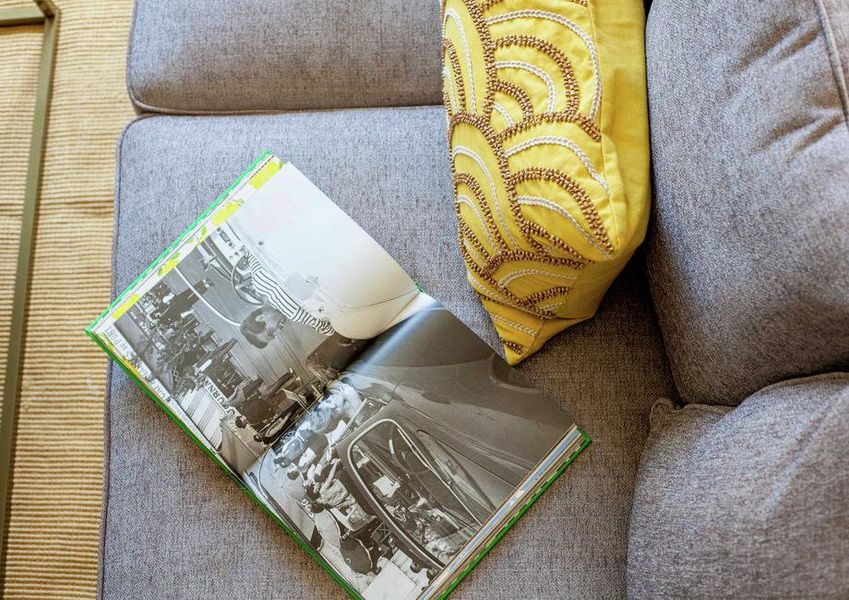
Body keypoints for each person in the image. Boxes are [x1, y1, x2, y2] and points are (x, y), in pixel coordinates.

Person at [236, 249, 334, 348]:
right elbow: (252, 250)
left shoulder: (293, 312)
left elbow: (329, 329)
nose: (279, 332)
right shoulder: (258, 280)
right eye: (274, 336)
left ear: (261, 318)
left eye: (270, 332)